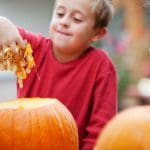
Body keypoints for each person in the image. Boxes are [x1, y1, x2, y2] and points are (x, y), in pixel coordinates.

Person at [0, 0, 117, 149]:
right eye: (60, 14)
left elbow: (101, 130)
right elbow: (7, 35)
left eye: (77, 19)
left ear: (98, 33)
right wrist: (3, 23)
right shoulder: (31, 49)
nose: (64, 22)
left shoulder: (101, 66)